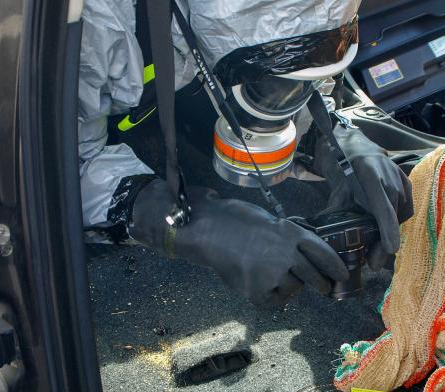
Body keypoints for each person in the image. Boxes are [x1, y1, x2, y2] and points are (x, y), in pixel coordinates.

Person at [77, 0, 413, 306]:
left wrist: (337, 145)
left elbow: (300, 60)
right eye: (267, 87)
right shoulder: (96, 21)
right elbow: (62, 170)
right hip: (99, 117)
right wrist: (199, 228)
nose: (286, 96)